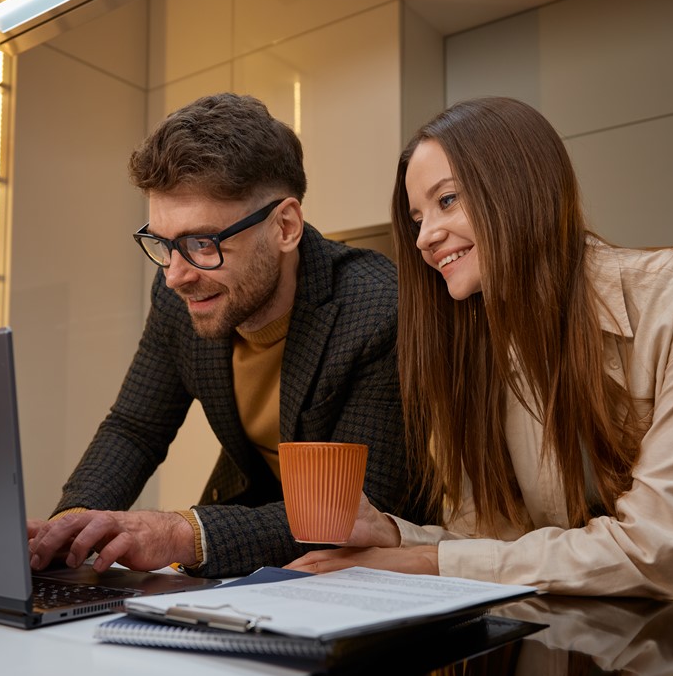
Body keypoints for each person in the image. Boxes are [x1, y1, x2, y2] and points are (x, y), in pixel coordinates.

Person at [289, 96, 673, 614]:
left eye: (446, 200)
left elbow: (655, 551)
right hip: (606, 643)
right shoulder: (482, 351)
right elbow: (494, 546)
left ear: (521, 188)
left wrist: (424, 559)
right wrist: (392, 534)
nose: (424, 237)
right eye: (415, 218)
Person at [28, 93, 425, 579]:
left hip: (367, 568)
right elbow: (136, 428)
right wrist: (71, 526)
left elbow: (357, 510)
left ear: (285, 226)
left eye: (202, 243)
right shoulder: (181, 291)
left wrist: (178, 532)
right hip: (245, 537)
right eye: (163, 244)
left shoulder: (377, 307)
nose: (176, 275)